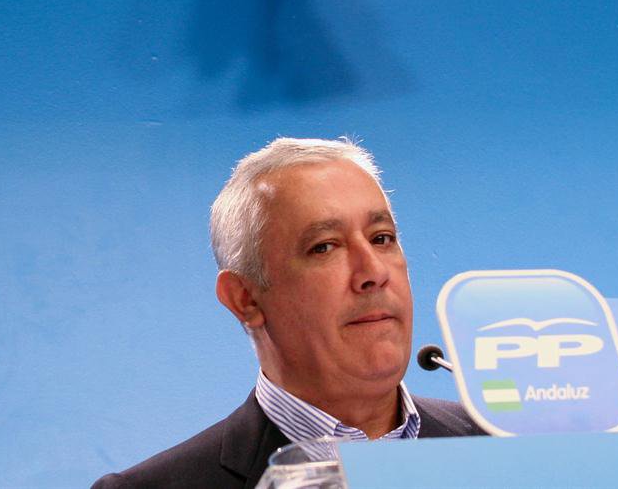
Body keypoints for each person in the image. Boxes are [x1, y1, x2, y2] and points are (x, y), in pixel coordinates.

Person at [92, 137, 484, 489]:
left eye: (381, 239)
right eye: (324, 247)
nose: (374, 272)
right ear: (245, 299)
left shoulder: (498, 448)